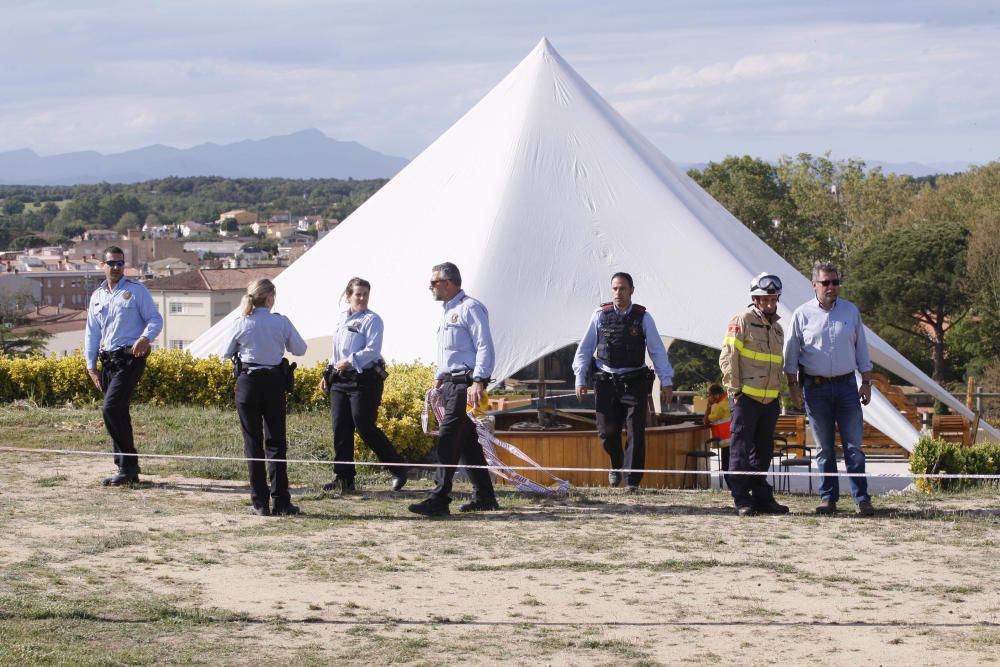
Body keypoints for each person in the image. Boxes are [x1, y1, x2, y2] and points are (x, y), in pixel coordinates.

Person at [784, 262, 875, 517]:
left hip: (847, 386)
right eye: (826, 283)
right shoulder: (801, 315)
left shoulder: (850, 311)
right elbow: (791, 356)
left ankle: (862, 499)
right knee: (824, 448)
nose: (832, 287)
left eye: (835, 282)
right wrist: (793, 387)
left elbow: (862, 350)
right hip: (815, 388)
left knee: (853, 447)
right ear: (815, 285)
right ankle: (828, 498)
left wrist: (866, 382)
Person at [409, 262, 499, 517]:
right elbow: (450, 352)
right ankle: (485, 496)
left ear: (447, 283)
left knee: (448, 439)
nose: (430, 286)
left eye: (434, 282)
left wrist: (479, 381)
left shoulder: (470, 308)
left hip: (465, 385)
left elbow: (484, 346)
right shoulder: (448, 311)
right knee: (468, 442)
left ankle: (439, 498)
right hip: (450, 384)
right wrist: (439, 378)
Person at [571, 272, 673, 491]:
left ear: (631, 291)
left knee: (636, 431)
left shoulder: (643, 317)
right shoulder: (599, 315)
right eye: (615, 289)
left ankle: (632, 481)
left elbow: (657, 351)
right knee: (606, 433)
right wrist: (580, 378)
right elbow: (585, 349)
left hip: (634, 382)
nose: (618, 293)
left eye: (623, 289)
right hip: (606, 382)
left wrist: (666, 381)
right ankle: (616, 464)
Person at [224, 278, 307, 516]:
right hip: (273, 382)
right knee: (276, 443)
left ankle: (259, 502)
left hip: (248, 382)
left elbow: (225, 352)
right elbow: (300, 349)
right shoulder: (280, 322)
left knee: (252, 443)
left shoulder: (241, 322)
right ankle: (281, 500)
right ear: (269, 297)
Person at [320, 277, 408, 494]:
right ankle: (344, 478)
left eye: (365, 294)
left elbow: (372, 350)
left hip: (364, 379)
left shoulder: (372, 320)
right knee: (340, 427)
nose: (362, 298)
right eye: (358, 294)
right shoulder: (342, 319)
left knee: (364, 425)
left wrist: (350, 360)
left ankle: (398, 468)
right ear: (349, 295)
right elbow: (335, 351)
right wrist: (327, 372)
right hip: (340, 380)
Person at [85, 246, 163, 486]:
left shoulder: (136, 291)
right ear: (103, 265)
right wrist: (91, 366)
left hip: (130, 358)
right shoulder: (97, 296)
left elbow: (155, 319)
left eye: (120, 263)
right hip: (108, 361)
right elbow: (92, 333)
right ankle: (127, 469)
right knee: (119, 413)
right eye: (112, 263)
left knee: (110, 409)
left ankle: (127, 465)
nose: (117, 268)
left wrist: (145, 338)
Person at [719, 273, 789, 516]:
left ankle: (761, 497)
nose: (770, 304)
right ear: (755, 299)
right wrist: (734, 391)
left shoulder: (778, 329)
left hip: (769, 400)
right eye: (765, 299)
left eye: (773, 299)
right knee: (740, 449)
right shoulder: (742, 320)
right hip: (745, 398)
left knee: (763, 451)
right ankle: (741, 499)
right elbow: (728, 356)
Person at [703, 384, 732, 487]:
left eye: (709, 395)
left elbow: (706, 421)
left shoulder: (720, 407)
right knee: (732, 467)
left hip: (726, 442)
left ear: (716, 395)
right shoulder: (728, 402)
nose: (708, 397)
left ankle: (734, 490)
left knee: (727, 468)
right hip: (732, 440)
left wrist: (708, 406)